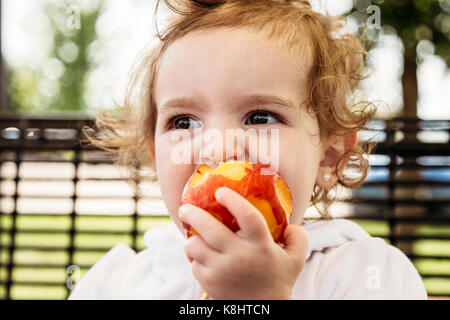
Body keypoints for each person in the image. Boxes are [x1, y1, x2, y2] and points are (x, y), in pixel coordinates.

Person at [68, 0, 427, 299]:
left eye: (259, 117)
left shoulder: (368, 275)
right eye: (184, 122)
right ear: (155, 154)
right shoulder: (118, 283)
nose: (218, 148)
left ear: (329, 155)